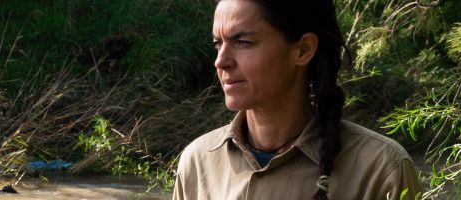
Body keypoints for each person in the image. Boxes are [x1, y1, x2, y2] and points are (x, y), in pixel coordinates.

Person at [172, 0, 423, 199]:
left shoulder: (380, 170)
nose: (221, 61)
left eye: (243, 42)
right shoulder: (199, 162)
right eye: (218, 44)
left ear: (303, 50)